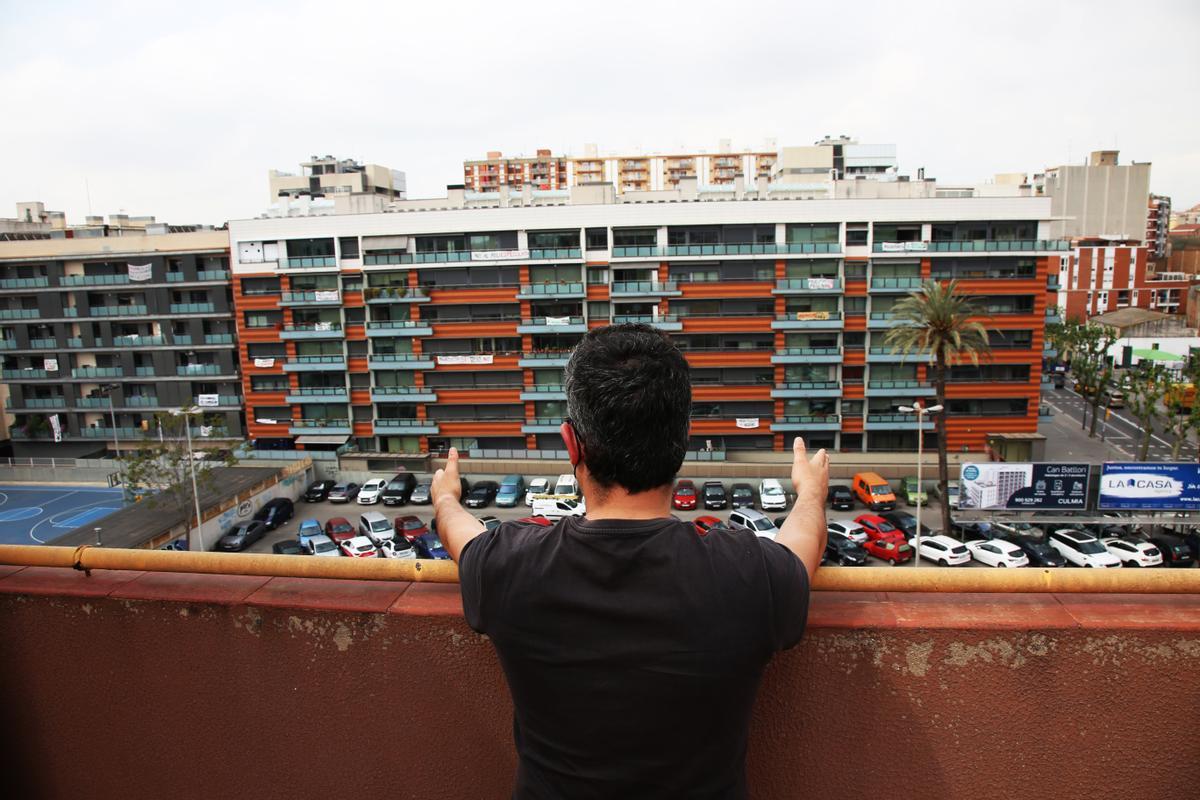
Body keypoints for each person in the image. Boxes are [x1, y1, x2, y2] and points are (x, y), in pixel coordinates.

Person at [432, 323, 827, 799]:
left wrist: (446, 498)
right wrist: (810, 493)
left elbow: (460, 534)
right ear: (681, 441)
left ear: (572, 443)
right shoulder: (748, 573)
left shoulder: (508, 565)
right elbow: (805, 541)